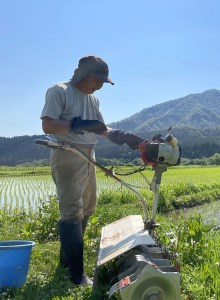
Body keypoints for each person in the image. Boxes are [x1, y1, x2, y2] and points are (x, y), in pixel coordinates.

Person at [40, 55, 143, 286]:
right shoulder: (59, 91)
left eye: (103, 83)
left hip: (89, 154)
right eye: (97, 81)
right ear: (84, 74)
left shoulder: (94, 101)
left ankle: (66, 262)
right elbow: (47, 124)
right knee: (71, 210)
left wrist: (123, 137)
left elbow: (101, 129)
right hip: (66, 152)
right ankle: (77, 276)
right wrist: (78, 125)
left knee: (87, 208)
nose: (99, 86)